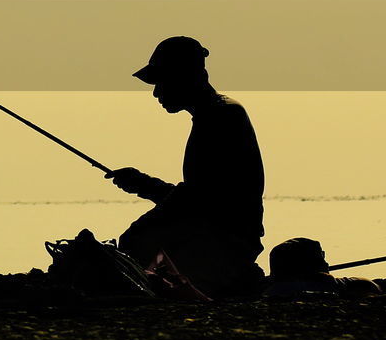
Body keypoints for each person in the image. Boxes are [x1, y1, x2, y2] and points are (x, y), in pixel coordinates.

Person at [106, 36, 266, 298]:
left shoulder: (219, 118)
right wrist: (144, 184)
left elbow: (199, 200)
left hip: (227, 241)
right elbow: (202, 195)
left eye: (161, 81)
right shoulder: (219, 114)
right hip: (225, 235)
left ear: (188, 76)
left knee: (136, 244)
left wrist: (142, 223)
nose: (156, 92)